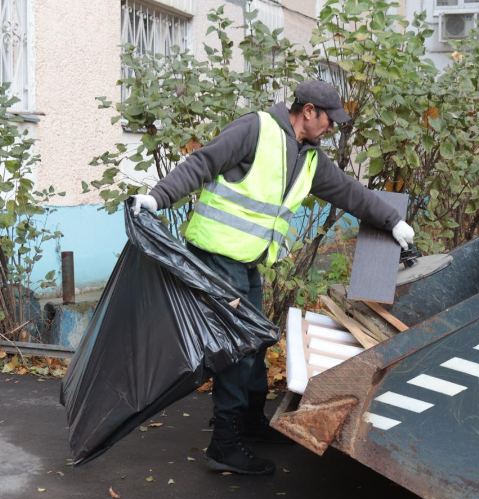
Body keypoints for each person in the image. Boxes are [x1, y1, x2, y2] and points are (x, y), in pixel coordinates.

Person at [130, 80, 415, 476]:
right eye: (330, 120)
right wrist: (157, 198)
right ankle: (225, 443)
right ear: (310, 110)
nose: (333, 128)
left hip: (245, 259)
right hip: (216, 254)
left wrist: (393, 221)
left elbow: (349, 192)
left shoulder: (309, 156)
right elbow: (202, 163)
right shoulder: (254, 129)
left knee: (258, 338)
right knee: (239, 347)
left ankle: (248, 421)